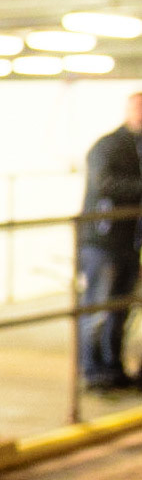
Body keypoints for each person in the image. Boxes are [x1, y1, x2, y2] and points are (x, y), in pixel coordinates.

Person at [77, 91, 142, 391]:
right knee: (98, 309)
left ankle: (112, 368)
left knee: (120, 310)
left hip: (129, 241)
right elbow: (104, 184)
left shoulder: (134, 146)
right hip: (103, 242)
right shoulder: (108, 146)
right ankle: (92, 371)